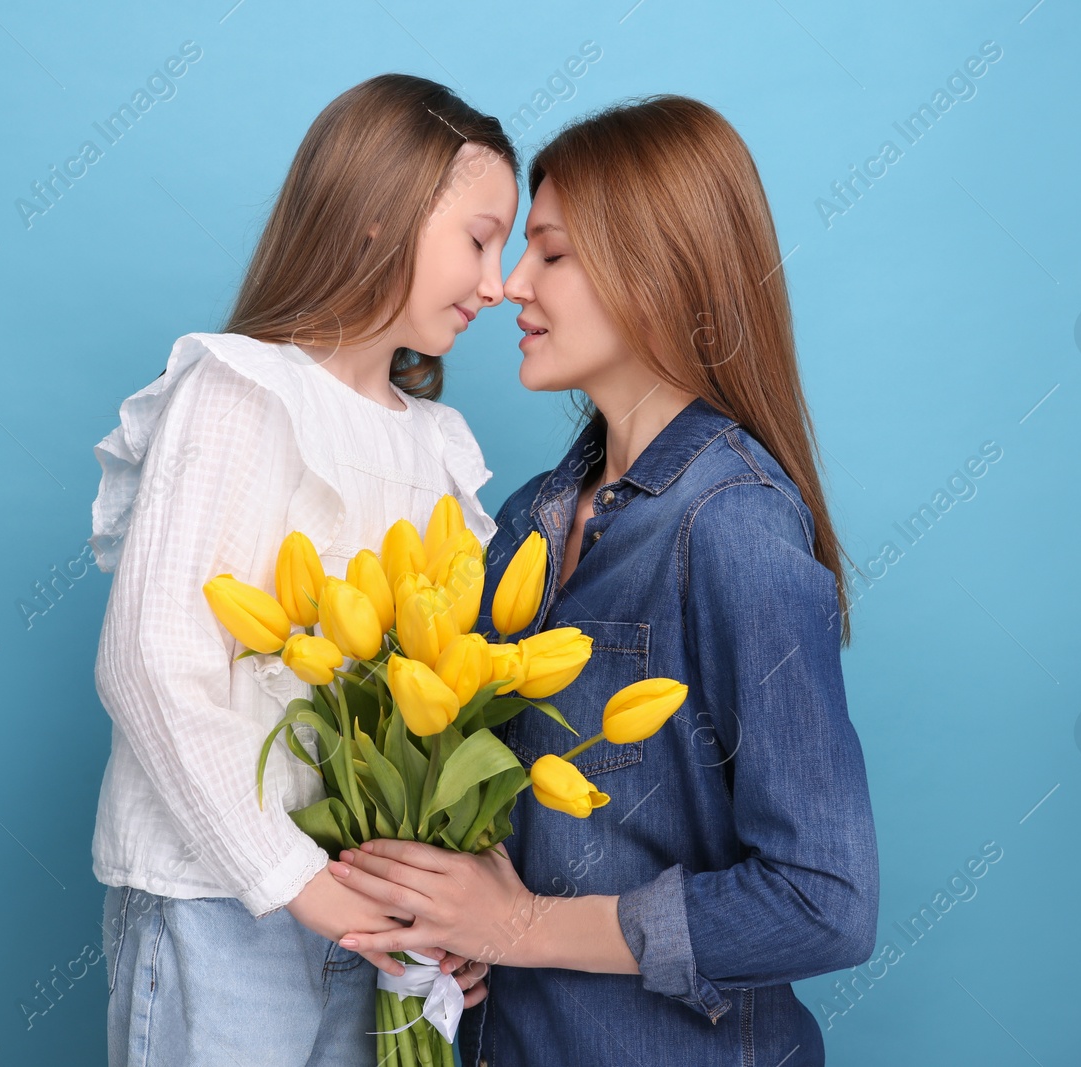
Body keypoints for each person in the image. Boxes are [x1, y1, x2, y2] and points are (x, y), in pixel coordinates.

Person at [329, 96, 880, 1066]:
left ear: (653, 269)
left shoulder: (731, 521)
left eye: (549, 251)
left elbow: (823, 899)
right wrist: (459, 911)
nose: (507, 286)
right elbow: (528, 815)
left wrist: (523, 925)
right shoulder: (528, 517)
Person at [86, 74, 509, 1065]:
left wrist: (451, 899)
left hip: (371, 926)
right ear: (377, 216)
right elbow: (149, 661)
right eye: (481, 238)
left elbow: (442, 700)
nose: (497, 281)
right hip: (224, 908)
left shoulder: (441, 445)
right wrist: (302, 884)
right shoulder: (242, 391)